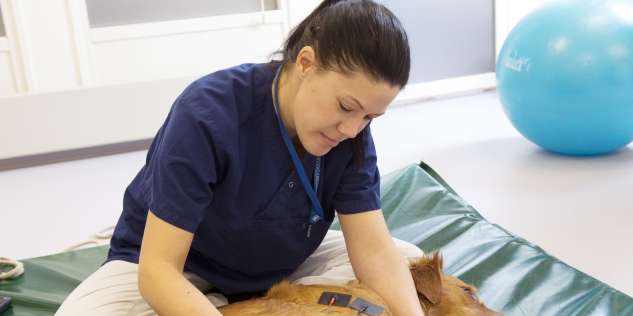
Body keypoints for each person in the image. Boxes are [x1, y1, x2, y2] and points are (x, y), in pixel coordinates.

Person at [56, 0, 424, 315]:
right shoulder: (208, 113)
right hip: (181, 267)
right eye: (346, 106)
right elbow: (158, 270)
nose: (352, 129)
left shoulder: (350, 133)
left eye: (369, 117)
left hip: (283, 267)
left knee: (406, 258)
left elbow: (374, 253)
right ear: (307, 63)